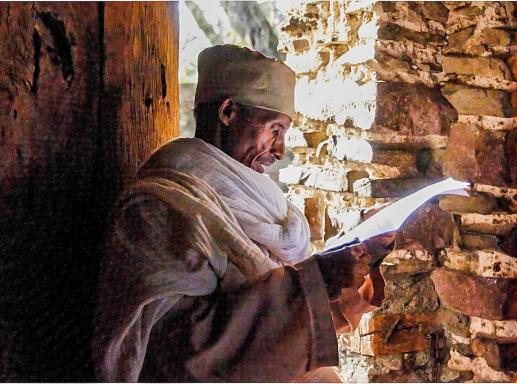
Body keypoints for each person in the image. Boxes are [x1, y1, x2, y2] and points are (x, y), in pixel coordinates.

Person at [93, 45, 395, 382]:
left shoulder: (255, 197)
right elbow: (189, 355)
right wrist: (320, 277)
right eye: (274, 130)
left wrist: (360, 251)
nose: (280, 151)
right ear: (227, 112)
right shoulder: (160, 209)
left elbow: (288, 298)